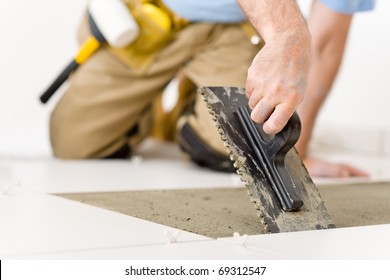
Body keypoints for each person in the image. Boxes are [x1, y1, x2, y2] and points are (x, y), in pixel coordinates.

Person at [49, 0, 311, 166]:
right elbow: (292, 38)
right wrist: (285, 34)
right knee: (74, 143)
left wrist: (297, 150)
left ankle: (190, 101)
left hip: (233, 29)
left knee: (238, 149)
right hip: (152, 14)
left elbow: (328, 36)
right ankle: (146, 107)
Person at [296, 0, 374, 178]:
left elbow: (324, 45)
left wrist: (294, 153)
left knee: (243, 147)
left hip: (243, 31)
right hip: (252, 17)